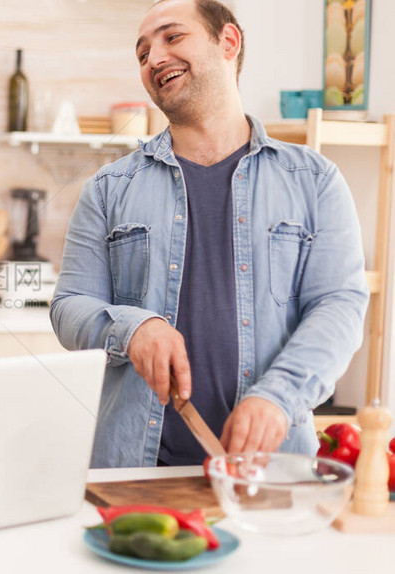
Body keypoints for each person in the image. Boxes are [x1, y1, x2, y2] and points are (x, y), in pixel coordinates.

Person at [50, 0, 369, 468]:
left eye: (172, 37)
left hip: (273, 472)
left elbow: (339, 306)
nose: (154, 58)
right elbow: (69, 307)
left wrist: (279, 396)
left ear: (229, 42)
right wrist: (134, 327)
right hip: (135, 472)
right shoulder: (107, 189)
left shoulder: (314, 180)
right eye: (142, 54)